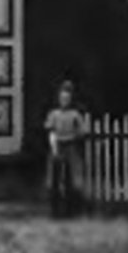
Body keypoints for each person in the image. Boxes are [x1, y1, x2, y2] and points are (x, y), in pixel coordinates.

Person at [43, 79, 89, 218]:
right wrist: (54, 147)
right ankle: (55, 210)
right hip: (57, 145)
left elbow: (82, 131)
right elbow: (50, 131)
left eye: (67, 98)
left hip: (71, 146)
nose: (64, 101)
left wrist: (76, 136)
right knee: (54, 180)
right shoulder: (54, 114)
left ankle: (72, 210)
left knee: (73, 179)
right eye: (62, 98)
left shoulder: (75, 115)